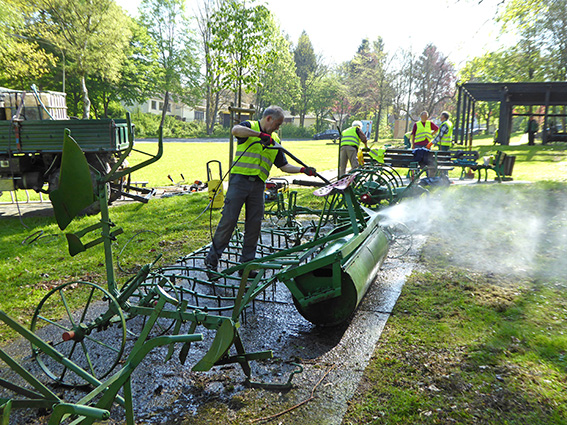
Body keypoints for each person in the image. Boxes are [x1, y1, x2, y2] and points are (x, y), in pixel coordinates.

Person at [204, 106, 316, 278]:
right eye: (277, 124)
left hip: (258, 186)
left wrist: (303, 170)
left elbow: (284, 166)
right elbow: (235, 130)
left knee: (254, 225)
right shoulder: (250, 127)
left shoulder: (275, 139)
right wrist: (259, 135)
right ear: (269, 119)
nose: (278, 128)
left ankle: (246, 266)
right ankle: (212, 261)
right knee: (229, 220)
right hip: (239, 182)